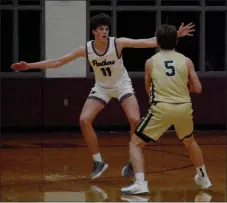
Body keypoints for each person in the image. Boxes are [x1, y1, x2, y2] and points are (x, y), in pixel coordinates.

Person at [11, 13, 195, 180]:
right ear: (94, 32)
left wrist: (175, 36)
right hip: (102, 88)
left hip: (122, 85)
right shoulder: (86, 49)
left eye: (106, 29)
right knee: (84, 120)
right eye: (101, 29)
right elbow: (59, 61)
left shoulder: (118, 43)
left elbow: (147, 41)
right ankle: (98, 161)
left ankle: (133, 159)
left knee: (135, 119)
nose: (105, 32)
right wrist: (30, 66)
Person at [121, 24, 212, 195]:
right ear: (176, 41)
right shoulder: (186, 60)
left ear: (158, 42)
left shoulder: (150, 62)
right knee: (189, 141)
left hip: (162, 107)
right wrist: (183, 89)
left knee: (135, 144)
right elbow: (198, 88)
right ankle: (203, 177)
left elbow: (148, 89)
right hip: (184, 107)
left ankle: (140, 183)